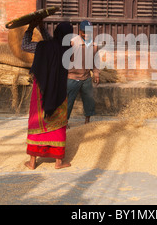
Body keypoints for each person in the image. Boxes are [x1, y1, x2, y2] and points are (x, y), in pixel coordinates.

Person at [21, 19, 73, 170]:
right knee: (58, 123)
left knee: (37, 119)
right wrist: (42, 29)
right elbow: (55, 44)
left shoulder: (42, 47)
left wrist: (31, 29)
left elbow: (25, 45)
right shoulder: (68, 49)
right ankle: (58, 162)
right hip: (59, 91)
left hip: (41, 90)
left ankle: (32, 162)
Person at [67, 20, 100, 124]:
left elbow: (96, 61)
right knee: (68, 101)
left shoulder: (94, 45)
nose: (86, 34)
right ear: (80, 31)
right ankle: (64, 121)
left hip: (86, 77)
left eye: (88, 32)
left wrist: (96, 74)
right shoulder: (72, 43)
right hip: (72, 77)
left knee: (89, 100)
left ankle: (87, 120)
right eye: (84, 32)